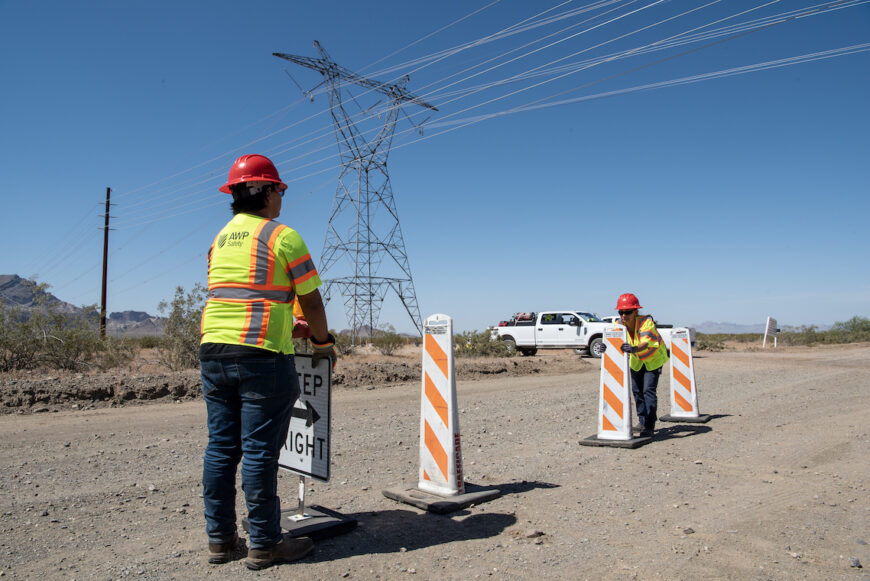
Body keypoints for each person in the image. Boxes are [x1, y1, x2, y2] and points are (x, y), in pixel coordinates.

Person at [199, 154, 337, 570]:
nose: (281, 196)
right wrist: (321, 341)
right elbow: (310, 299)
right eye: (279, 189)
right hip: (260, 357)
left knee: (222, 447)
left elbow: (247, 297)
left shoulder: (219, 240)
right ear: (266, 191)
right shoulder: (283, 237)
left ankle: (221, 541)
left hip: (213, 350)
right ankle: (265, 543)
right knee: (259, 451)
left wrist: (287, 325)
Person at [615, 293, 668, 437]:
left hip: (653, 359)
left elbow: (644, 343)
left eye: (627, 312)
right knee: (637, 391)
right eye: (621, 312)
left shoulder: (646, 323)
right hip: (637, 361)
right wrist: (604, 346)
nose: (624, 315)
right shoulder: (619, 325)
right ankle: (642, 421)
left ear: (636, 312)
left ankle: (649, 426)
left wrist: (634, 349)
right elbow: (611, 339)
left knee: (648, 391)